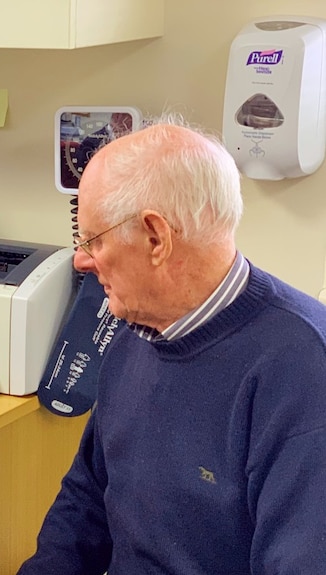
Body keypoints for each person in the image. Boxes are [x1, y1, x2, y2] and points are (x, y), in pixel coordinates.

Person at [19, 117, 326, 574]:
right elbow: (85, 503)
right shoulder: (135, 331)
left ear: (155, 237)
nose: (81, 261)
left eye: (92, 240)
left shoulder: (302, 367)